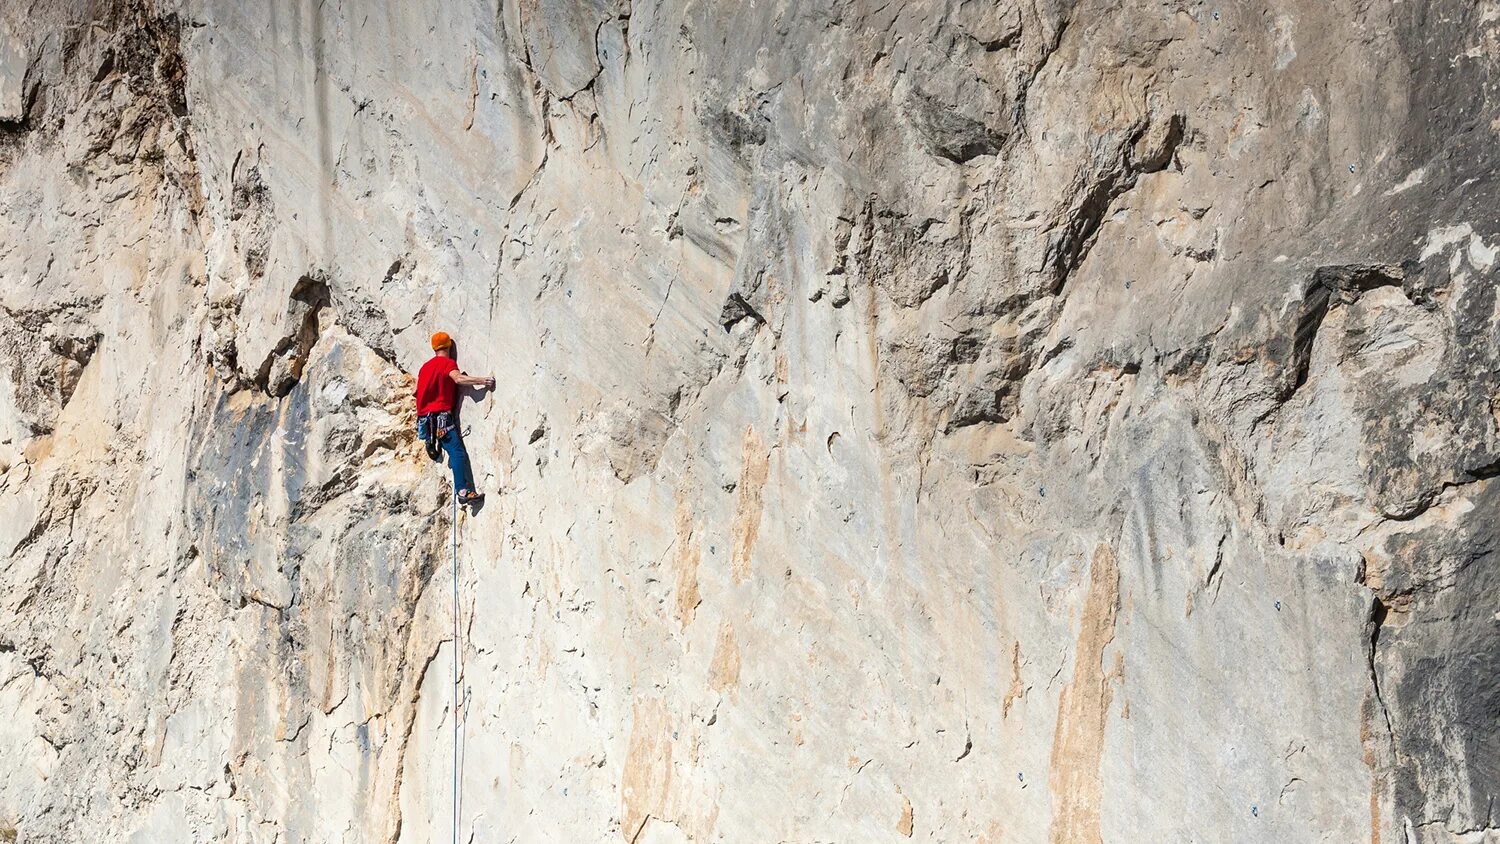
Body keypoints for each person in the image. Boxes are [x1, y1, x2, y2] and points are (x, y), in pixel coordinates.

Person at [415, 331, 495, 504]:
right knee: (458, 453)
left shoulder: (424, 367)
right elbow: (458, 379)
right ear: (449, 347)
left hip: (425, 420)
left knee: (450, 449)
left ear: (434, 348)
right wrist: (483, 381)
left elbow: (417, 392)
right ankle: (463, 491)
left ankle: (432, 444)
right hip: (442, 418)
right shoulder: (447, 363)